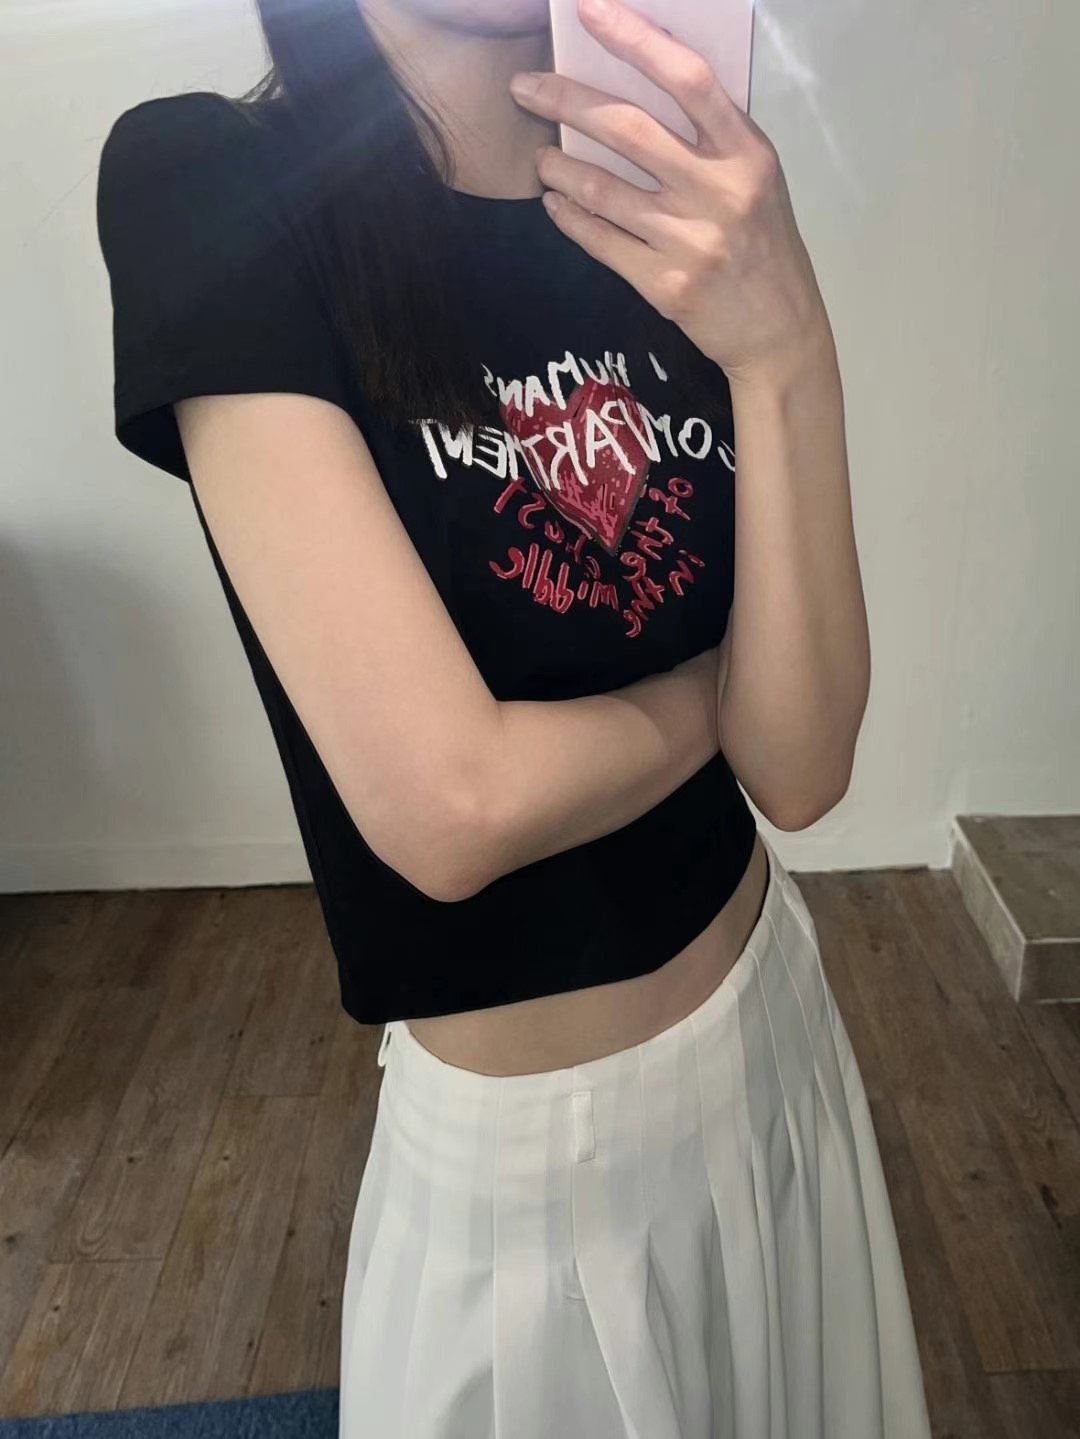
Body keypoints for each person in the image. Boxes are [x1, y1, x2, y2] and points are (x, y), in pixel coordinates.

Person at [96, 0, 933, 1433]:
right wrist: (712, 694)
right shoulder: (209, 181)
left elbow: (799, 769)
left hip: (782, 1047)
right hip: (539, 1177)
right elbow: (452, 809)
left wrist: (786, 346)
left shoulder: (662, 192)